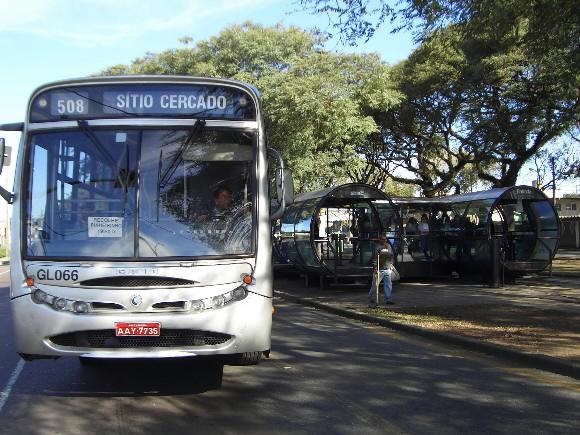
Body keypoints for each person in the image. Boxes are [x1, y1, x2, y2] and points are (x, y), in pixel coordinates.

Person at [368, 236, 395, 307]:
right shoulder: (377, 247)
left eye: (385, 239)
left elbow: (392, 255)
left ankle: (388, 299)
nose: (384, 240)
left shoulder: (388, 246)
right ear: (379, 240)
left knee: (388, 285)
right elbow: (374, 258)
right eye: (383, 239)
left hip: (387, 269)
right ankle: (371, 297)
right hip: (379, 269)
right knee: (375, 285)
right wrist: (375, 268)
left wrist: (391, 264)